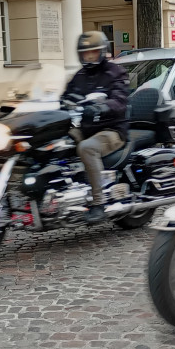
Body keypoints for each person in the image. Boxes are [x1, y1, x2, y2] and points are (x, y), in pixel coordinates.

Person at [61, 31, 129, 224]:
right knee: (57, 142)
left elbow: (120, 101)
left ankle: (99, 203)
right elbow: (66, 95)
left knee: (87, 148)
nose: (89, 56)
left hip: (112, 130)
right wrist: (61, 102)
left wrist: (102, 107)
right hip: (86, 128)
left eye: (93, 52)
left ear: (102, 51)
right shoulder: (79, 75)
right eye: (86, 53)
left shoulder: (116, 72)